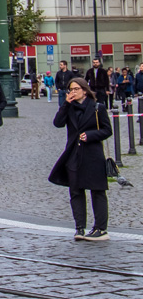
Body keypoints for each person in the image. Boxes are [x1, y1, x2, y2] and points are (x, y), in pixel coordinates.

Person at [49, 77, 112, 241]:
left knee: (97, 191)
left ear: (84, 90)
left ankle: (100, 228)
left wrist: (90, 135)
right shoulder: (69, 108)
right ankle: (79, 227)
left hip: (93, 155)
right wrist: (66, 104)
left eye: (76, 89)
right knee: (76, 191)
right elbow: (57, 123)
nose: (73, 92)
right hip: (74, 155)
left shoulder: (98, 108)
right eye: (71, 89)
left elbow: (107, 130)